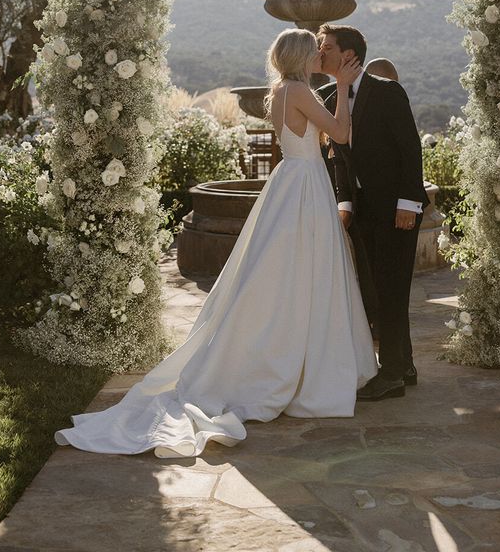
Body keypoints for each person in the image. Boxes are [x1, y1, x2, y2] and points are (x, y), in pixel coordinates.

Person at [55, 29, 377, 458]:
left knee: (283, 272)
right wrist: (340, 86)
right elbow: (338, 133)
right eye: (314, 50)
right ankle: (303, 367)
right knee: (307, 270)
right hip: (306, 186)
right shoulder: (300, 90)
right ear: (301, 57)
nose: (321, 54)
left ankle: (285, 350)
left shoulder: (282, 89)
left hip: (289, 183)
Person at [318, 25, 429, 401]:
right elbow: (338, 159)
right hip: (362, 211)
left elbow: (410, 150)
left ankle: (392, 375)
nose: (321, 52)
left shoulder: (387, 92)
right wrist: (345, 202)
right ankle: (406, 365)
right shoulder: (329, 96)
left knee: (393, 290)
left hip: (396, 209)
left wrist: (408, 203)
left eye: (327, 47)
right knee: (377, 290)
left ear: (349, 55)